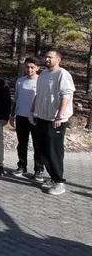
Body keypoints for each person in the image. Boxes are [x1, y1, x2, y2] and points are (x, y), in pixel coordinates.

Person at [31, 50, 75, 195]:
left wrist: (59, 116)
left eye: (50, 57)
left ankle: (59, 182)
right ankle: (52, 177)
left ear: (59, 59)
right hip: (42, 118)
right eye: (46, 57)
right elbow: (38, 94)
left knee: (54, 151)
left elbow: (66, 95)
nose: (47, 59)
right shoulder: (43, 74)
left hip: (55, 120)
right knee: (43, 150)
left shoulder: (62, 74)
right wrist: (33, 110)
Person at [11, 57, 42, 178]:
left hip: (36, 118)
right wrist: (12, 115)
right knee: (22, 143)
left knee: (37, 145)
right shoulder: (20, 81)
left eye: (32, 67)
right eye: (27, 67)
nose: (29, 70)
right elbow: (16, 99)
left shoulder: (41, 81)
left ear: (37, 68)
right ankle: (21, 166)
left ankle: (38, 170)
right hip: (21, 117)